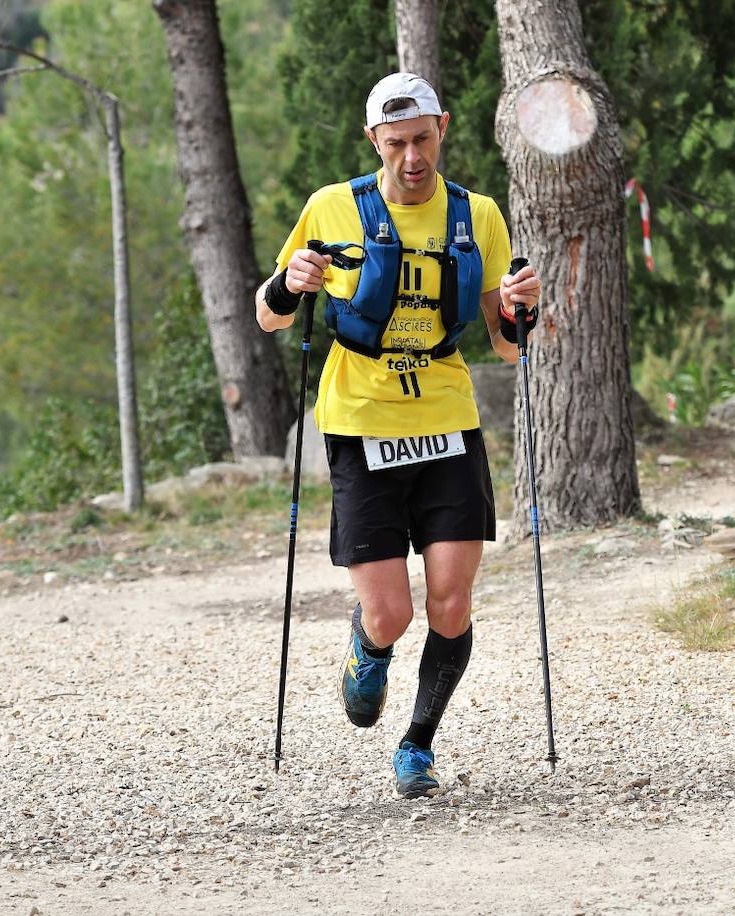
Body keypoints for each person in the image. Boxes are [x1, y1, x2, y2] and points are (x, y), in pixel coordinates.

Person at [254, 73, 542, 798]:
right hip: (359, 421)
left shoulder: (477, 215)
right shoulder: (332, 207)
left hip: (446, 418)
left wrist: (521, 309)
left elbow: (509, 347)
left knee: (450, 601)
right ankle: (366, 648)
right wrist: (292, 282)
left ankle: (417, 745)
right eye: (395, 144)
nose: (410, 158)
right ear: (373, 142)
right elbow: (268, 315)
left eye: (421, 140)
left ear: (442, 128)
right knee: (391, 613)